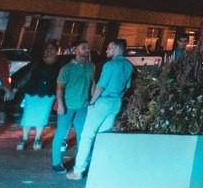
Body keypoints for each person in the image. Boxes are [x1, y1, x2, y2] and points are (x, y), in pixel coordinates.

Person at [68, 38, 134, 179]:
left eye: (109, 48)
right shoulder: (128, 66)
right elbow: (127, 87)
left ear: (117, 49)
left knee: (87, 135)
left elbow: (101, 85)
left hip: (103, 101)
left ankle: (78, 169)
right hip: (116, 102)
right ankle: (99, 168)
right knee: (103, 136)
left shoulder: (110, 65)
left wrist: (92, 102)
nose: (106, 51)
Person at [13, 40, 63, 152]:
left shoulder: (60, 64)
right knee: (27, 115)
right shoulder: (37, 62)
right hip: (32, 92)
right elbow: (27, 76)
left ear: (57, 51)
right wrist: (16, 88)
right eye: (47, 48)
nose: (49, 50)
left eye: (52, 49)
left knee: (42, 116)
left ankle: (37, 139)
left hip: (48, 94)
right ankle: (24, 139)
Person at [53, 39, 95, 173]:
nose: (86, 50)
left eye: (88, 48)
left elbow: (92, 83)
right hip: (68, 106)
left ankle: (80, 161)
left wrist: (92, 101)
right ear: (75, 50)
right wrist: (60, 104)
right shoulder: (67, 69)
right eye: (83, 47)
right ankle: (56, 163)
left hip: (82, 107)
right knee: (61, 133)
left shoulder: (91, 66)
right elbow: (60, 87)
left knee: (82, 135)